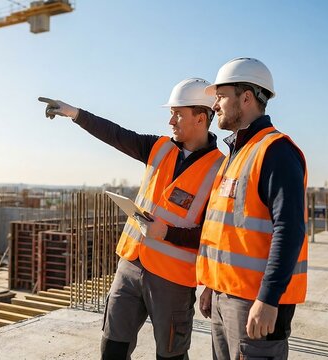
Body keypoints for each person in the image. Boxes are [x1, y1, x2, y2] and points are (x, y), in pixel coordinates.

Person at [39, 77, 224, 360]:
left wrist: (169, 234)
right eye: (170, 113)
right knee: (112, 347)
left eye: (178, 114)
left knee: (170, 354)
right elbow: (116, 134)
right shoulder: (159, 148)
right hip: (130, 266)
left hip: (172, 280)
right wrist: (74, 113)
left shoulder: (220, 169)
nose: (171, 121)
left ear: (201, 118)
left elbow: (215, 234)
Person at [196, 58, 308, 360]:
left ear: (246, 98)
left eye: (221, 96)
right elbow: (226, 231)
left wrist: (269, 299)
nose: (215, 105)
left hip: (255, 303)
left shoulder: (276, 151)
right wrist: (211, 286)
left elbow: (290, 230)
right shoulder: (237, 152)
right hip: (225, 296)